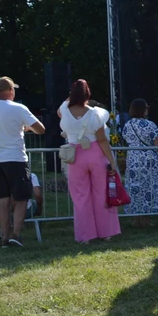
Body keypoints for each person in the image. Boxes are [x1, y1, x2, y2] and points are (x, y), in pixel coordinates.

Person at [0, 76, 46, 247]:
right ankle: (16, 234)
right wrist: (25, 128)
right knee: (21, 198)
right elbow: (41, 129)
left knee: (2, 199)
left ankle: (5, 236)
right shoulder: (18, 108)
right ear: (11, 91)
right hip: (15, 158)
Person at [58, 79, 120, 243]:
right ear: (88, 94)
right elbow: (102, 140)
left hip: (74, 156)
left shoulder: (64, 110)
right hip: (95, 154)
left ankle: (85, 235)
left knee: (80, 196)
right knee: (101, 193)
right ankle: (106, 232)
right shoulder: (95, 114)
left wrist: (72, 94)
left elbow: (61, 109)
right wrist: (111, 161)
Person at [120, 98, 158, 226]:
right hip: (149, 160)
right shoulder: (150, 125)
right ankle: (146, 219)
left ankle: (136, 218)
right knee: (148, 188)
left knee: (135, 188)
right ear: (142, 109)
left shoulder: (128, 125)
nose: (147, 110)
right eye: (146, 107)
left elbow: (125, 139)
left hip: (133, 159)